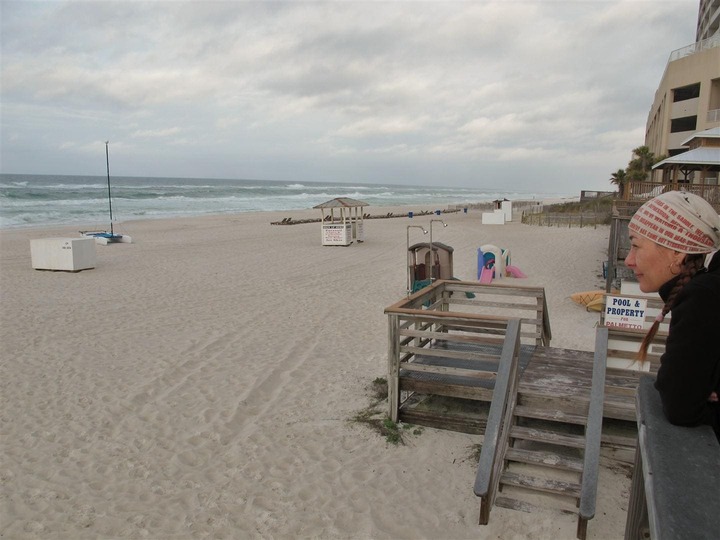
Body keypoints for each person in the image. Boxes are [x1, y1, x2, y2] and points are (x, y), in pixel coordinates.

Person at [625, 190, 720, 441]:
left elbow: (679, 405)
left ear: (677, 254)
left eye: (636, 246)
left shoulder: (703, 297)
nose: (628, 260)